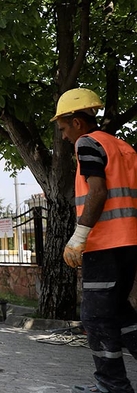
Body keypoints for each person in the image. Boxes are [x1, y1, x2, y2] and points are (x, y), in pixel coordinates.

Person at [52, 88, 137, 393]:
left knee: (96, 318)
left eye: (64, 128)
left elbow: (98, 191)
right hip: (129, 243)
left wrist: (79, 237)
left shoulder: (87, 143)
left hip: (104, 245)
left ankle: (113, 386)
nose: (64, 136)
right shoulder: (123, 147)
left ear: (77, 122)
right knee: (119, 311)